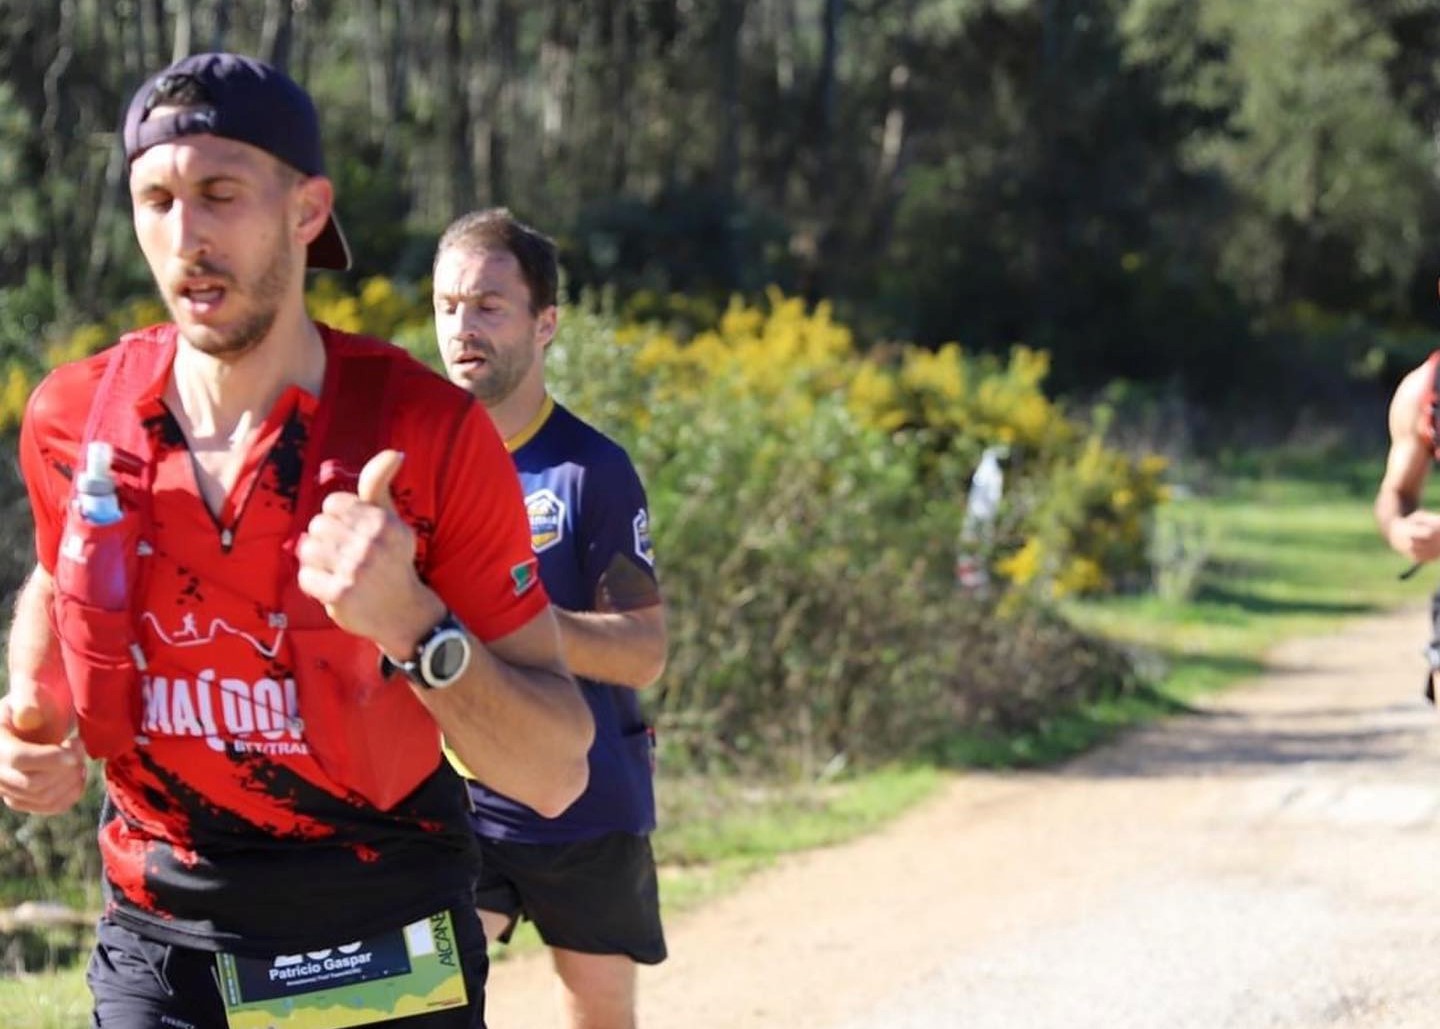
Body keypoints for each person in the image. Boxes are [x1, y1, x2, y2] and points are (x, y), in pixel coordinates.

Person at [0, 53, 594, 1029]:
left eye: (220, 194)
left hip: (378, 930)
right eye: (156, 199)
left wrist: (413, 624)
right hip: (162, 934)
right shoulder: (75, 417)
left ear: (307, 210)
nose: (185, 236)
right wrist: (34, 716)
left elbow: (555, 770)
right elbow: (54, 572)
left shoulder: (427, 435)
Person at [432, 209, 668, 1029]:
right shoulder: (412, 467)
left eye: (489, 305)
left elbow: (644, 651)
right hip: (453, 806)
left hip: (588, 802)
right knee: (419, 1001)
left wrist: (527, 632)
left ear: (546, 324)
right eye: (448, 305)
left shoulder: (591, 470)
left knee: (599, 1016)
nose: (463, 327)